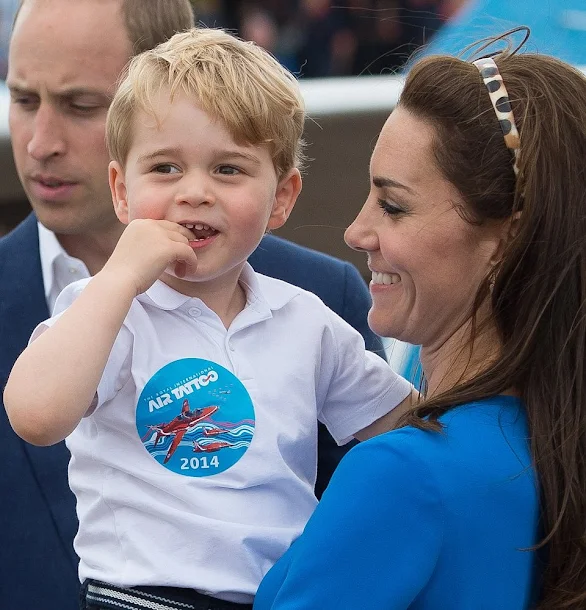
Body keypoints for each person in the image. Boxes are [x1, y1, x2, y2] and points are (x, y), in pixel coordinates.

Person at [4, 27, 413, 610]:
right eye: (166, 169)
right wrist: (119, 278)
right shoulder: (108, 311)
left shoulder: (308, 322)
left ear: (282, 198)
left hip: (278, 597)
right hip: (136, 598)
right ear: (122, 190)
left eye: (228, 170)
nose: (195, 192)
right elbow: (36, 415)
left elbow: (404, 429)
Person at [253, 37, 586, 609]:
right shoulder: (552, 453)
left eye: (394, 205)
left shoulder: (403, 474)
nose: (356, 233)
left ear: (507, 240)